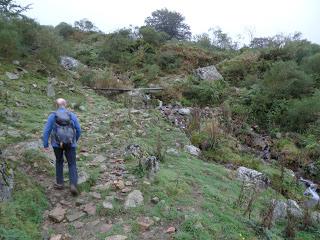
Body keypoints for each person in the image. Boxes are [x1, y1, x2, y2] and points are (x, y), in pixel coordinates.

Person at [43, 98, 81, 195]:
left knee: (59, 162)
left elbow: (47, 130)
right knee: (72, 163)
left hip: (56, 144)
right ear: (66, 104)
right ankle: (73, 184)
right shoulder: (71, 115)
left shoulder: (53, 115)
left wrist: (45, 144)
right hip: (70, 143)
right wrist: (74, 140)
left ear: (56, 105)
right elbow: (79, 129)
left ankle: (60, 183)